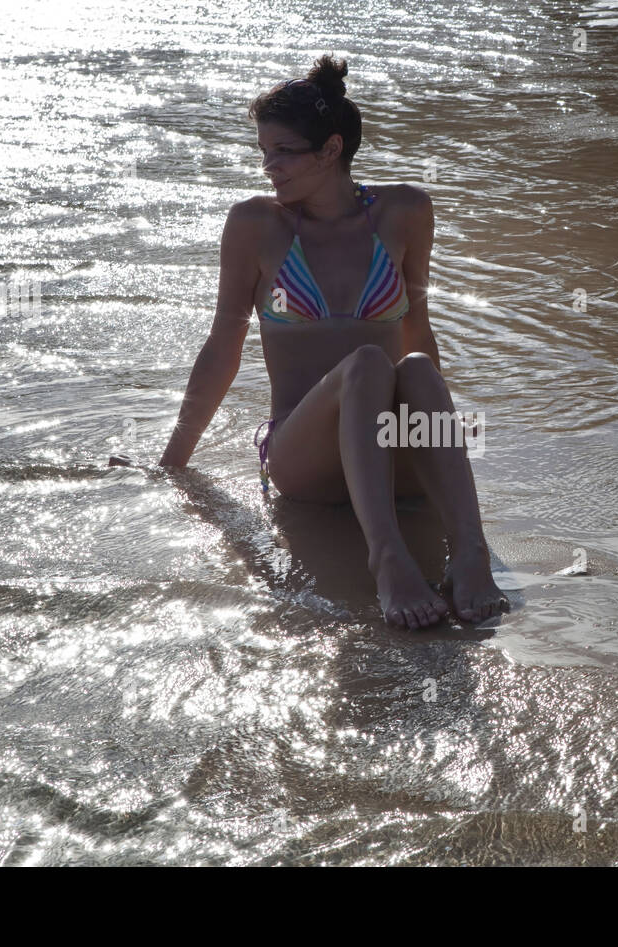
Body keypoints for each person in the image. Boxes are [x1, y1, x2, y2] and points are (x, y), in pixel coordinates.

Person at [158, 54, 509, 630]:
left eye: (282, 152)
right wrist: (173, 462)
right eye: (263, 152)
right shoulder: (256, 225)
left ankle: (470, 551)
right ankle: (387, 557)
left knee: (416, 366)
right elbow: (223, 345)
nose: (269, 166)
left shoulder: (405, 211)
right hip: (305, 461)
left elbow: (419, 328)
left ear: (330, 150)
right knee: (369, 362)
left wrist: (442, 454)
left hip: (390, 455)